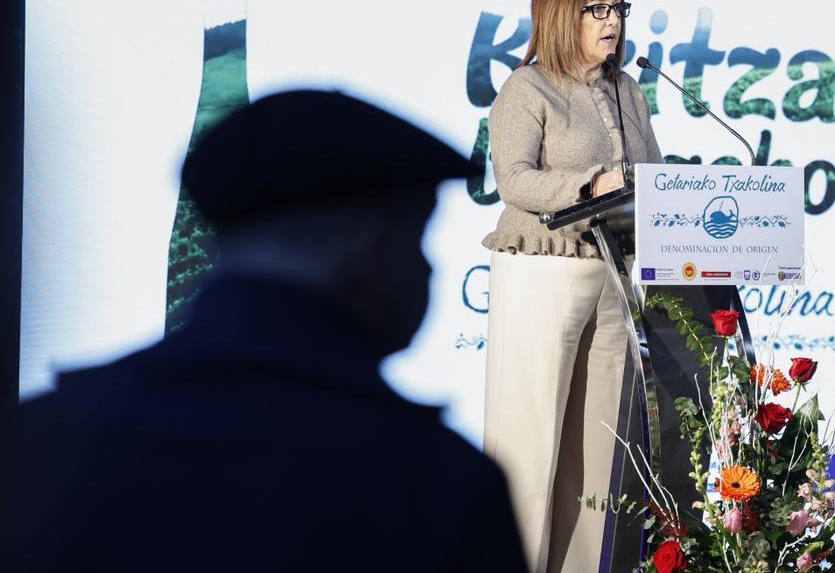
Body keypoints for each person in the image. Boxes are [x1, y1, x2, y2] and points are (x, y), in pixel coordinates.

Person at [0, 91, 528, 573]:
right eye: (418, 239)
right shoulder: (431, 485)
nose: (427, 271)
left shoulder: (40, 441)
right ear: (372, 248)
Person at [482, 0, 663, 573]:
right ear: (562, 16)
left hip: (616, 273)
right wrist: (592, 185)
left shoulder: (630, 91)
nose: (612, 21)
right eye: (598, 10)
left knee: (601, 456)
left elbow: (654, 179)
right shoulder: (526, 90)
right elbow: (515, 180)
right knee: (529, 447)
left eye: (619, 8)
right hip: (543, 271)